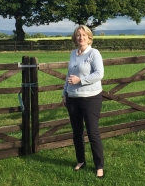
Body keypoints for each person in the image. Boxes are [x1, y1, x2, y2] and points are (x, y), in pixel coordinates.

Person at [62, 25, 105, 178]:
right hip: (73, 98)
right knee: (77, 132)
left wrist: (81, 80)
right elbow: (69, 74)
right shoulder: (73, 53)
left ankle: (99, 166)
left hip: (91, 98)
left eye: (83, 35)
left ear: (89, 37)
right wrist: (64, 93)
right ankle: (81, 160)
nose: (81, 38)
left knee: (93, 133)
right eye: (78, 35)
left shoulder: (94, 53)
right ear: (75, 38)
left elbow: (99, 73)